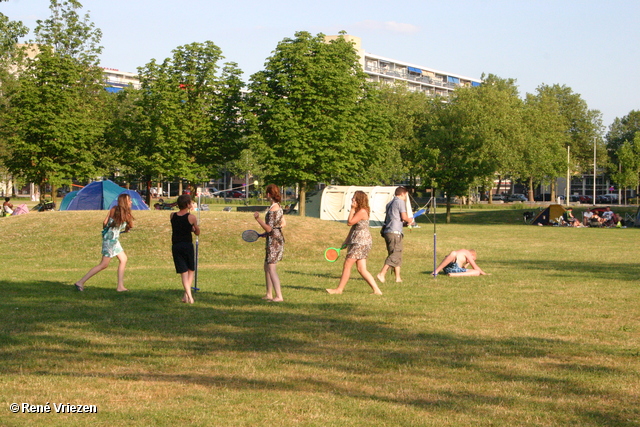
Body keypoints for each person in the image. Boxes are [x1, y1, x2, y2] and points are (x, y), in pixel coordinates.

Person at [327, 191, 383, 295]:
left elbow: (350, 222)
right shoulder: (360, 211)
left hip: (360, 242)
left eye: (354, 199)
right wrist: (347, 241)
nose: (352, 200)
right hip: (360, 241)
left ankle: (339, 290)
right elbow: (353, 228)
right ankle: (377, 290)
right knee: (361, 269)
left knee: (347, 264)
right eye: (352, 198)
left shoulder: (362, 211)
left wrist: (352, 209)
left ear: (360, 200)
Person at [75, 193, 134, 291]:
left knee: (123, 259)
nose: (131, 202)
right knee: (103, 264)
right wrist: (127, 229)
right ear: (125, 202)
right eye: (129, 200)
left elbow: (104, 222)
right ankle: (80, 282)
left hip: (110, 239)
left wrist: (108, 231)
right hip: (111, 242)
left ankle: (120, 286)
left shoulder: (113, 209)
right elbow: (130, 225)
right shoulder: (127, 214)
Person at [254, 184, 286, 302]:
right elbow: (282, 224)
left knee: (271, 268)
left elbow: (269, 228)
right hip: (275, 238)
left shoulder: (273, 209)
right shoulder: (278, 206)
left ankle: (279, 296)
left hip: (274, 241)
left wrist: (258, 219)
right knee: (267, 266)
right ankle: (269, 294)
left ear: (268, 194)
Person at [377, 187, 415, 283]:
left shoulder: (389, 203)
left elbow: (395, 219)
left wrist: (406, 223)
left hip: (388, 231)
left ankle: (398, 278)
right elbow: (404, 217)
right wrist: (410, 220)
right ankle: (382, 274)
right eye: (406, 195)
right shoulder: (400, 202)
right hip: (395, 232)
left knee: (396, 255)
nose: (406, 197)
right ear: (403, 194)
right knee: (395, 253)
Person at [170, 194, 200, 304]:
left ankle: (185, 296)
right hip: (187, 245)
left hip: (176, 245)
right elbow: (197, 231)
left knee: (184, 271)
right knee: (190, 270)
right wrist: (195, 228)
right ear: (187, 204)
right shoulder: (191, 217)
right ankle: (190, 297)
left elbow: (179, 227)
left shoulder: (172, 215)